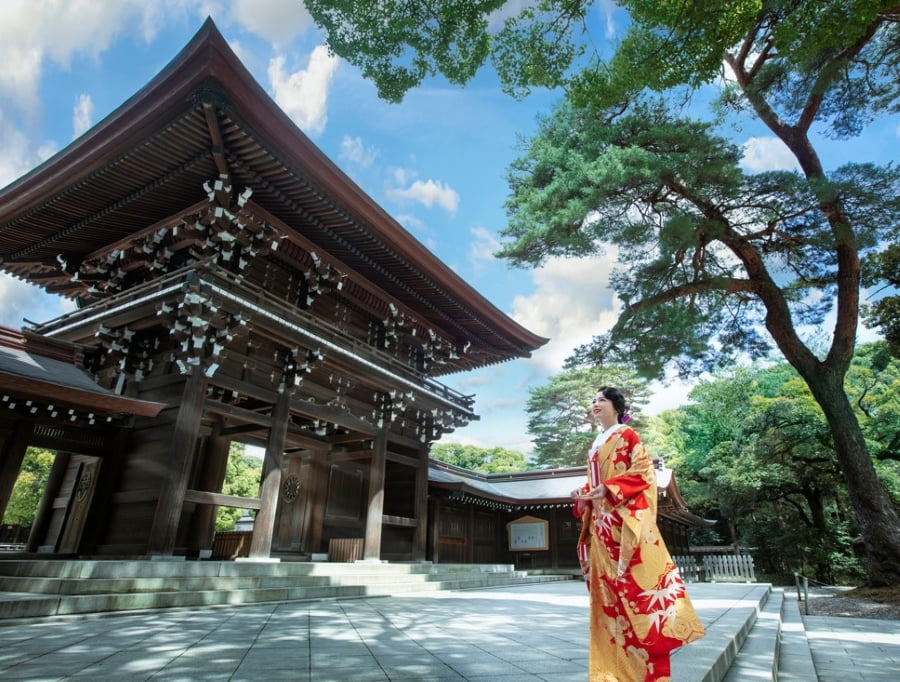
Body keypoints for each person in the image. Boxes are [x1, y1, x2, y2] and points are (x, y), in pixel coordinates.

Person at [571, 387, 705, 681]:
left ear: (616, 406)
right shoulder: (596, 443)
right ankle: (610, 671)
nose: (595, 404)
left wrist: (608, 488)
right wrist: (584, 496)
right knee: (606, 599)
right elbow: (593, 484)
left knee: (633, 596)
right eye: (593, 400)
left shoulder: (627, 435)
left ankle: (644, 672)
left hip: (622, 526)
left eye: (602, 400)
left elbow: (644, 473)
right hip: (601, 529)